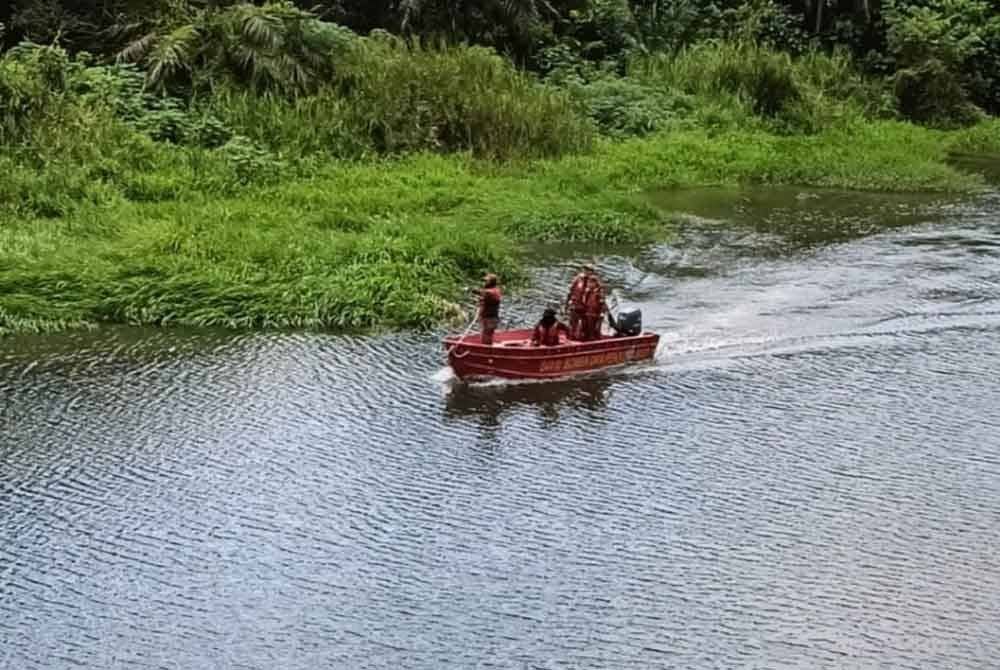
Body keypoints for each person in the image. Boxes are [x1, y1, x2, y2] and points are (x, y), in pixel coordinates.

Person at [565, 264, 599, 340]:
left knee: (587, 326)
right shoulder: (578, 279)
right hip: (576, 304)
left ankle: (587, 338)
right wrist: (567, 304)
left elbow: (599, 296)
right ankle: (571, 338)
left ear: (592, 272)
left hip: (588, 308)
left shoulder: (595, 281)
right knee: (573, 323)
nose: (587, 271)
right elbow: (570, 291)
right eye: (585, 269)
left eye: (589, 270)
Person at [477, 273, 502, 345]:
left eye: (487, 281)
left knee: (486, 336)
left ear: (491, 282)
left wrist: (472, 291)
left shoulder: (490, 292)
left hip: (490, 318)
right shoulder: (496, 290)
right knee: (487, 334)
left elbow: (484, 293)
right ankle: (487, 349)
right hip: (491, 317)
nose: (485, 282)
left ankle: (487, 351)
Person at [580, 275, 607, 341]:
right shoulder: (589, 291)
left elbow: (603, 303)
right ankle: (587, 337)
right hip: (588, 312)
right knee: (586, 327)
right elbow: (584, 301)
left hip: (595, 313)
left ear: (594, 283)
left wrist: (602, 313)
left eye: (590, 283)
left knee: (593, 329)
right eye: (588, 283)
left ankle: (593, 339)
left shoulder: (599, 292)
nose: (589, 284)